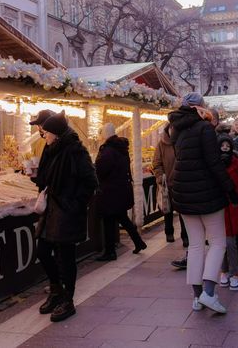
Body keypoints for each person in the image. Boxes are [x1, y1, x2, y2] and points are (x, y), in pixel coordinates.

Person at [169, 92, 238, 314]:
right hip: (207, 194)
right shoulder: (205, 128)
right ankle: (209, 293)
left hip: (183, 193)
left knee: (196, 245)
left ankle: (197, 297)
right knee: (218, 242)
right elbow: (214, 163)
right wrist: (231, 191)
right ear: (201, 107)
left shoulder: (176, 129)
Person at [35, 111, 98, 323]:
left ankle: (67, 300)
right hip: (52, 211)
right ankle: (56, 290)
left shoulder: (75, 151)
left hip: (67, 212)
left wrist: (74, 203)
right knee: (42, 250)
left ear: (57, 134)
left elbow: (91, 181)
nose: (44, 135)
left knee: (66, 257)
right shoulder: (53, 149)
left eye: (48, 132)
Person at [95, 123, 147, 261]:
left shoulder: (107, 151)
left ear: (105, 134)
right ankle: (139, 242)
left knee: (108, 222)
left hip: (110, 192)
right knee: (123, 219)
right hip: (120, 190)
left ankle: (110, 252)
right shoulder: (120, 148)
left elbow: (100, 170)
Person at [217, 134, 238, 291]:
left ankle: (234, 273)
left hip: (233, 208)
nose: (225, 149)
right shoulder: (214, 164)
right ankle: (224, 271)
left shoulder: (237, 163)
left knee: (231, 243)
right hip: (219, 208)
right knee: (221, 244)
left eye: (227, 147)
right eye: (222, 146)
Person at [152, 124, 188, 246]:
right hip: (167, 183)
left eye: (175, 128)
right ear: (168, 130)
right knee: (168, 210)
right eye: (171, 129)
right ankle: (169, 232)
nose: (173, 131)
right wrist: (160, 176)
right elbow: (156, 163)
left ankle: (185, 236)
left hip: (182, 182)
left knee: (184, 212)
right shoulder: (161, 144)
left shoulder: (183, 142)